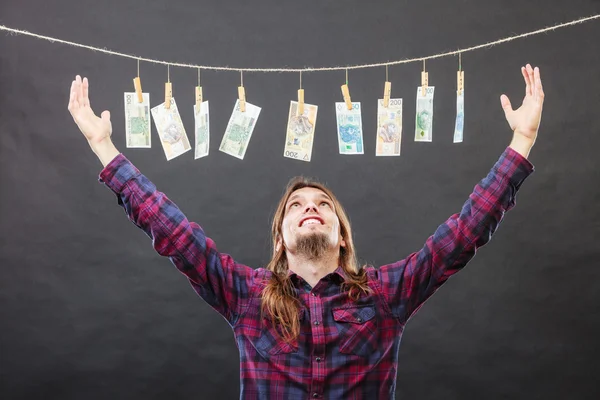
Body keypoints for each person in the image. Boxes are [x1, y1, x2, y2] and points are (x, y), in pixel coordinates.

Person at [67, 64, 544, 399]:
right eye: (296, 206)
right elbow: (172, 231)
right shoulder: (245, 295)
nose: (310, 208)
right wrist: (104, 147)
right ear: (280, 238)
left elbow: (461, 236)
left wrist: (522, 142)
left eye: (322, 206)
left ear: (341, 235)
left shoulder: (384, 294)